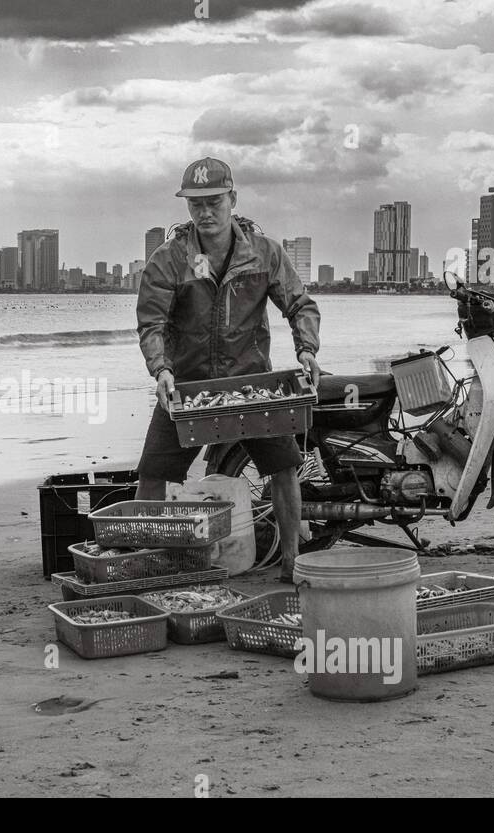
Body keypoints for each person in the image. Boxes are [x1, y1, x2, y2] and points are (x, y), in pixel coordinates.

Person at [134, 157, 321, 581]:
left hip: (254, 385)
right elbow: (152, 323)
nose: (205, 212)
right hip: (187, 387)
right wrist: (161, 369)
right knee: (153, 474)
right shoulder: (170, 259)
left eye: (214, 201)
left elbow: (299, 304)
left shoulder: (264, 252)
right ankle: (147, 562)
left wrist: (307, 349)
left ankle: (292, 564)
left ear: (232, 199)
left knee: (283, 467)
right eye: (195, 203)